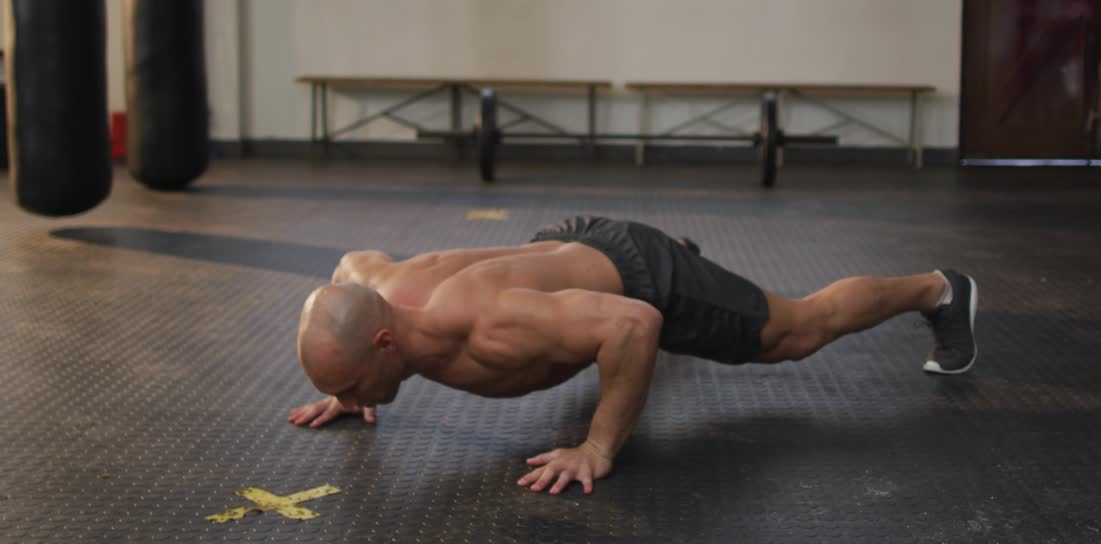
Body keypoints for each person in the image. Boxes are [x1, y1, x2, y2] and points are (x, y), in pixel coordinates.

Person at [289, 216, 978, 496]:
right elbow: (350, 271)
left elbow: (633, 325)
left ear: (386, 345)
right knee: (576, 313)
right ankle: (687, 259)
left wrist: (597, 446)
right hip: (561, 248)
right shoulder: (370, 291)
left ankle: (939, 289)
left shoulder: (493, 323)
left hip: (639, 277)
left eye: (355, 383)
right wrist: (346, 383)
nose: (354, 397)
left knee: (794, 333)